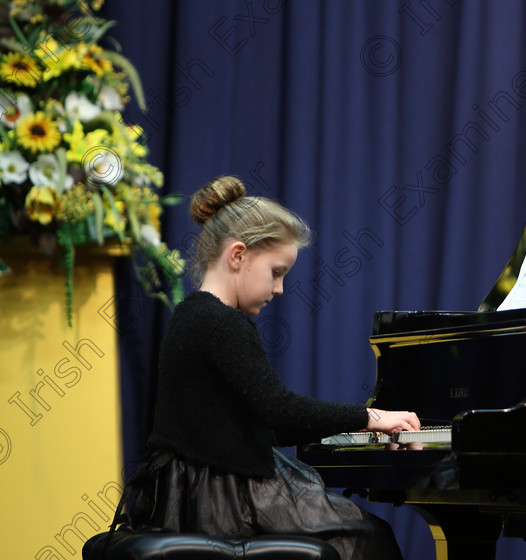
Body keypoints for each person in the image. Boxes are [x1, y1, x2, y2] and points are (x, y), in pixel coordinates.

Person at [122, 175, 420, 559]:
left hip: (187, 490)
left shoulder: (192, 315)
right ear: (238, 256)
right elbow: (279, 409)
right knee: (368, 539)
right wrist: (370, 417)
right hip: (218, 498)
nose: (279, 289)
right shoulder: (221, 323)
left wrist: (344, 428)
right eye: (276, 272)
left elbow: (257, 426)